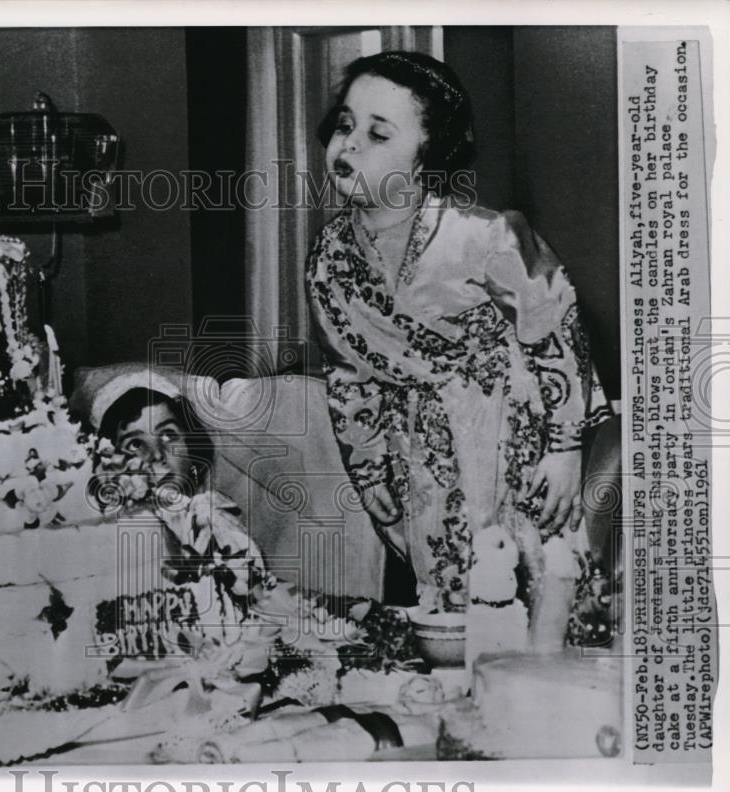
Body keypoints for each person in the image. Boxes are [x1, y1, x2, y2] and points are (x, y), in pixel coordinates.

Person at [305, 51, 613, 613]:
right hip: (421, 454)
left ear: (429, 155)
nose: (348, 145)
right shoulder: (329, 260)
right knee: (447, 607)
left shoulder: (486, 235)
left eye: (378, 135)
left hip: (516, 436)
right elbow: (348, 375)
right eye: (345, 126)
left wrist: (566, 449)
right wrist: (372, 473)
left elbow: (556, 325)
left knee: (531, 597)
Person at [94, 385, 266, 600]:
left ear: (191, 445)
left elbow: (254, 588)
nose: (157, 455)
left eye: (168, 435)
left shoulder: (205, 516)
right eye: (135, 443)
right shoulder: (101, 534)